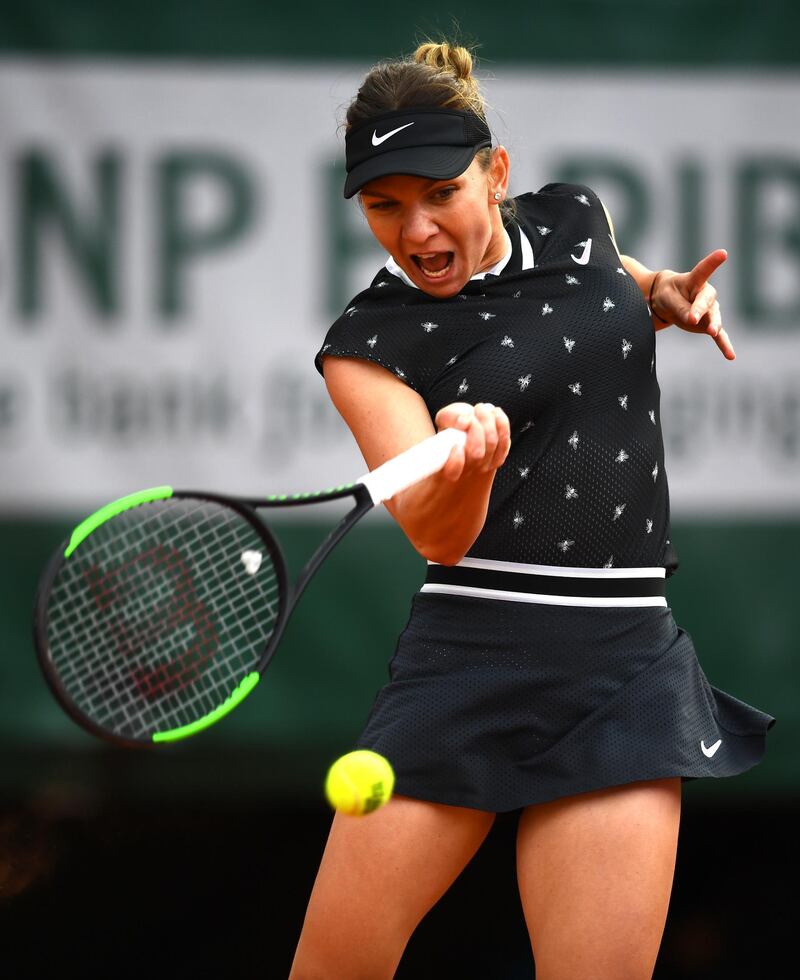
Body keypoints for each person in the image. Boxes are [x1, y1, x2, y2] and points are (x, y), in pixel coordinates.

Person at [289, 41, 774, 980]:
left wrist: (661, 291)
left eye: (441, 194)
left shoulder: (573, 218)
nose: (416, 227)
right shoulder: (365, 344)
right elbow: (435, 532)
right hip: (466, 659)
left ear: (496, 176)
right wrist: (470, 464)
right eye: (385, 205)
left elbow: (602, 281)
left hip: (624, 663)